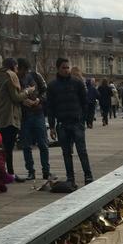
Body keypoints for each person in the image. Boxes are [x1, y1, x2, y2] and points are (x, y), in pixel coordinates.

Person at [46, 56, 93, 190]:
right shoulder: (52, 86)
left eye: (68, 68)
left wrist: (83, 119)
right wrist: (52, 126)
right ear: (58, 69)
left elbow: (85, 102)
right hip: (62, 123)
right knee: (66, 153)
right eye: (64, 68)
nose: (66, 70)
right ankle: (70, 178)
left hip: (76, 121)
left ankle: (88, 175)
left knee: (82, 151)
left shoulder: (77, 83)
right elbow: (50, 107)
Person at [0, 57, 33, 179]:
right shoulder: (10, 77)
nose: (16, 70)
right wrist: (27, 91)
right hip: (10, 115)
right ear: (12, 66)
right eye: (16, 67)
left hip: (1, 113)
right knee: (8, 146)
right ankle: (9, 173)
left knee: (5, 145)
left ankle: (4, 172)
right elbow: (15, 97)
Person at [16, 56, 50, 180]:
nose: (24, 73)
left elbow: (45, 91)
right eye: (22, 70)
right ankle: (31, 170)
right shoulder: (14, 79)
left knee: (43, 143)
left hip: (37, 112)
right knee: (26, 145)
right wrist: (22, 102)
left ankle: (46, 170)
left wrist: (38, 100)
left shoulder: (35, 76)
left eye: (25, 70)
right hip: (24, 115)